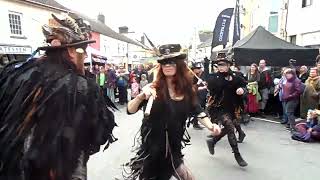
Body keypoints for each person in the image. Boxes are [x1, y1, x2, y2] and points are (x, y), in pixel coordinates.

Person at [0, 13, 117, 180]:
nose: (84, 56)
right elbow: (99, 133)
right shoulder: (79, 84)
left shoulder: (20, 75)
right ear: (71, 51)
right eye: (82, 51)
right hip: (63, 169)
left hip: (15, 166)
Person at [126, 44, 221, 180]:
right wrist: (141, 96)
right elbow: (130, 110)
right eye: (164, 63)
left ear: (179, 65)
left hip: (173, 150)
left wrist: (211, 126)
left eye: (171, 62)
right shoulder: (153, 88)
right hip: (152, 151)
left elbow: (197, 111)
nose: (168, 66)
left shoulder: (186, 91)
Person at [206, 55, 248, 167]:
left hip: (233, 108)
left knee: (229, 127)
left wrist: (242, 90)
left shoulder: (237, 76)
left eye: (223, 65)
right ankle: (237, 155)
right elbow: (212, 88)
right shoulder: (214, 77)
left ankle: (213, 141)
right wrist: (210, 84)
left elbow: (245, 87)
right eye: (219, 65)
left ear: (229, 65)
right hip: (218, 108)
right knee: (230, 126)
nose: (221, 67)